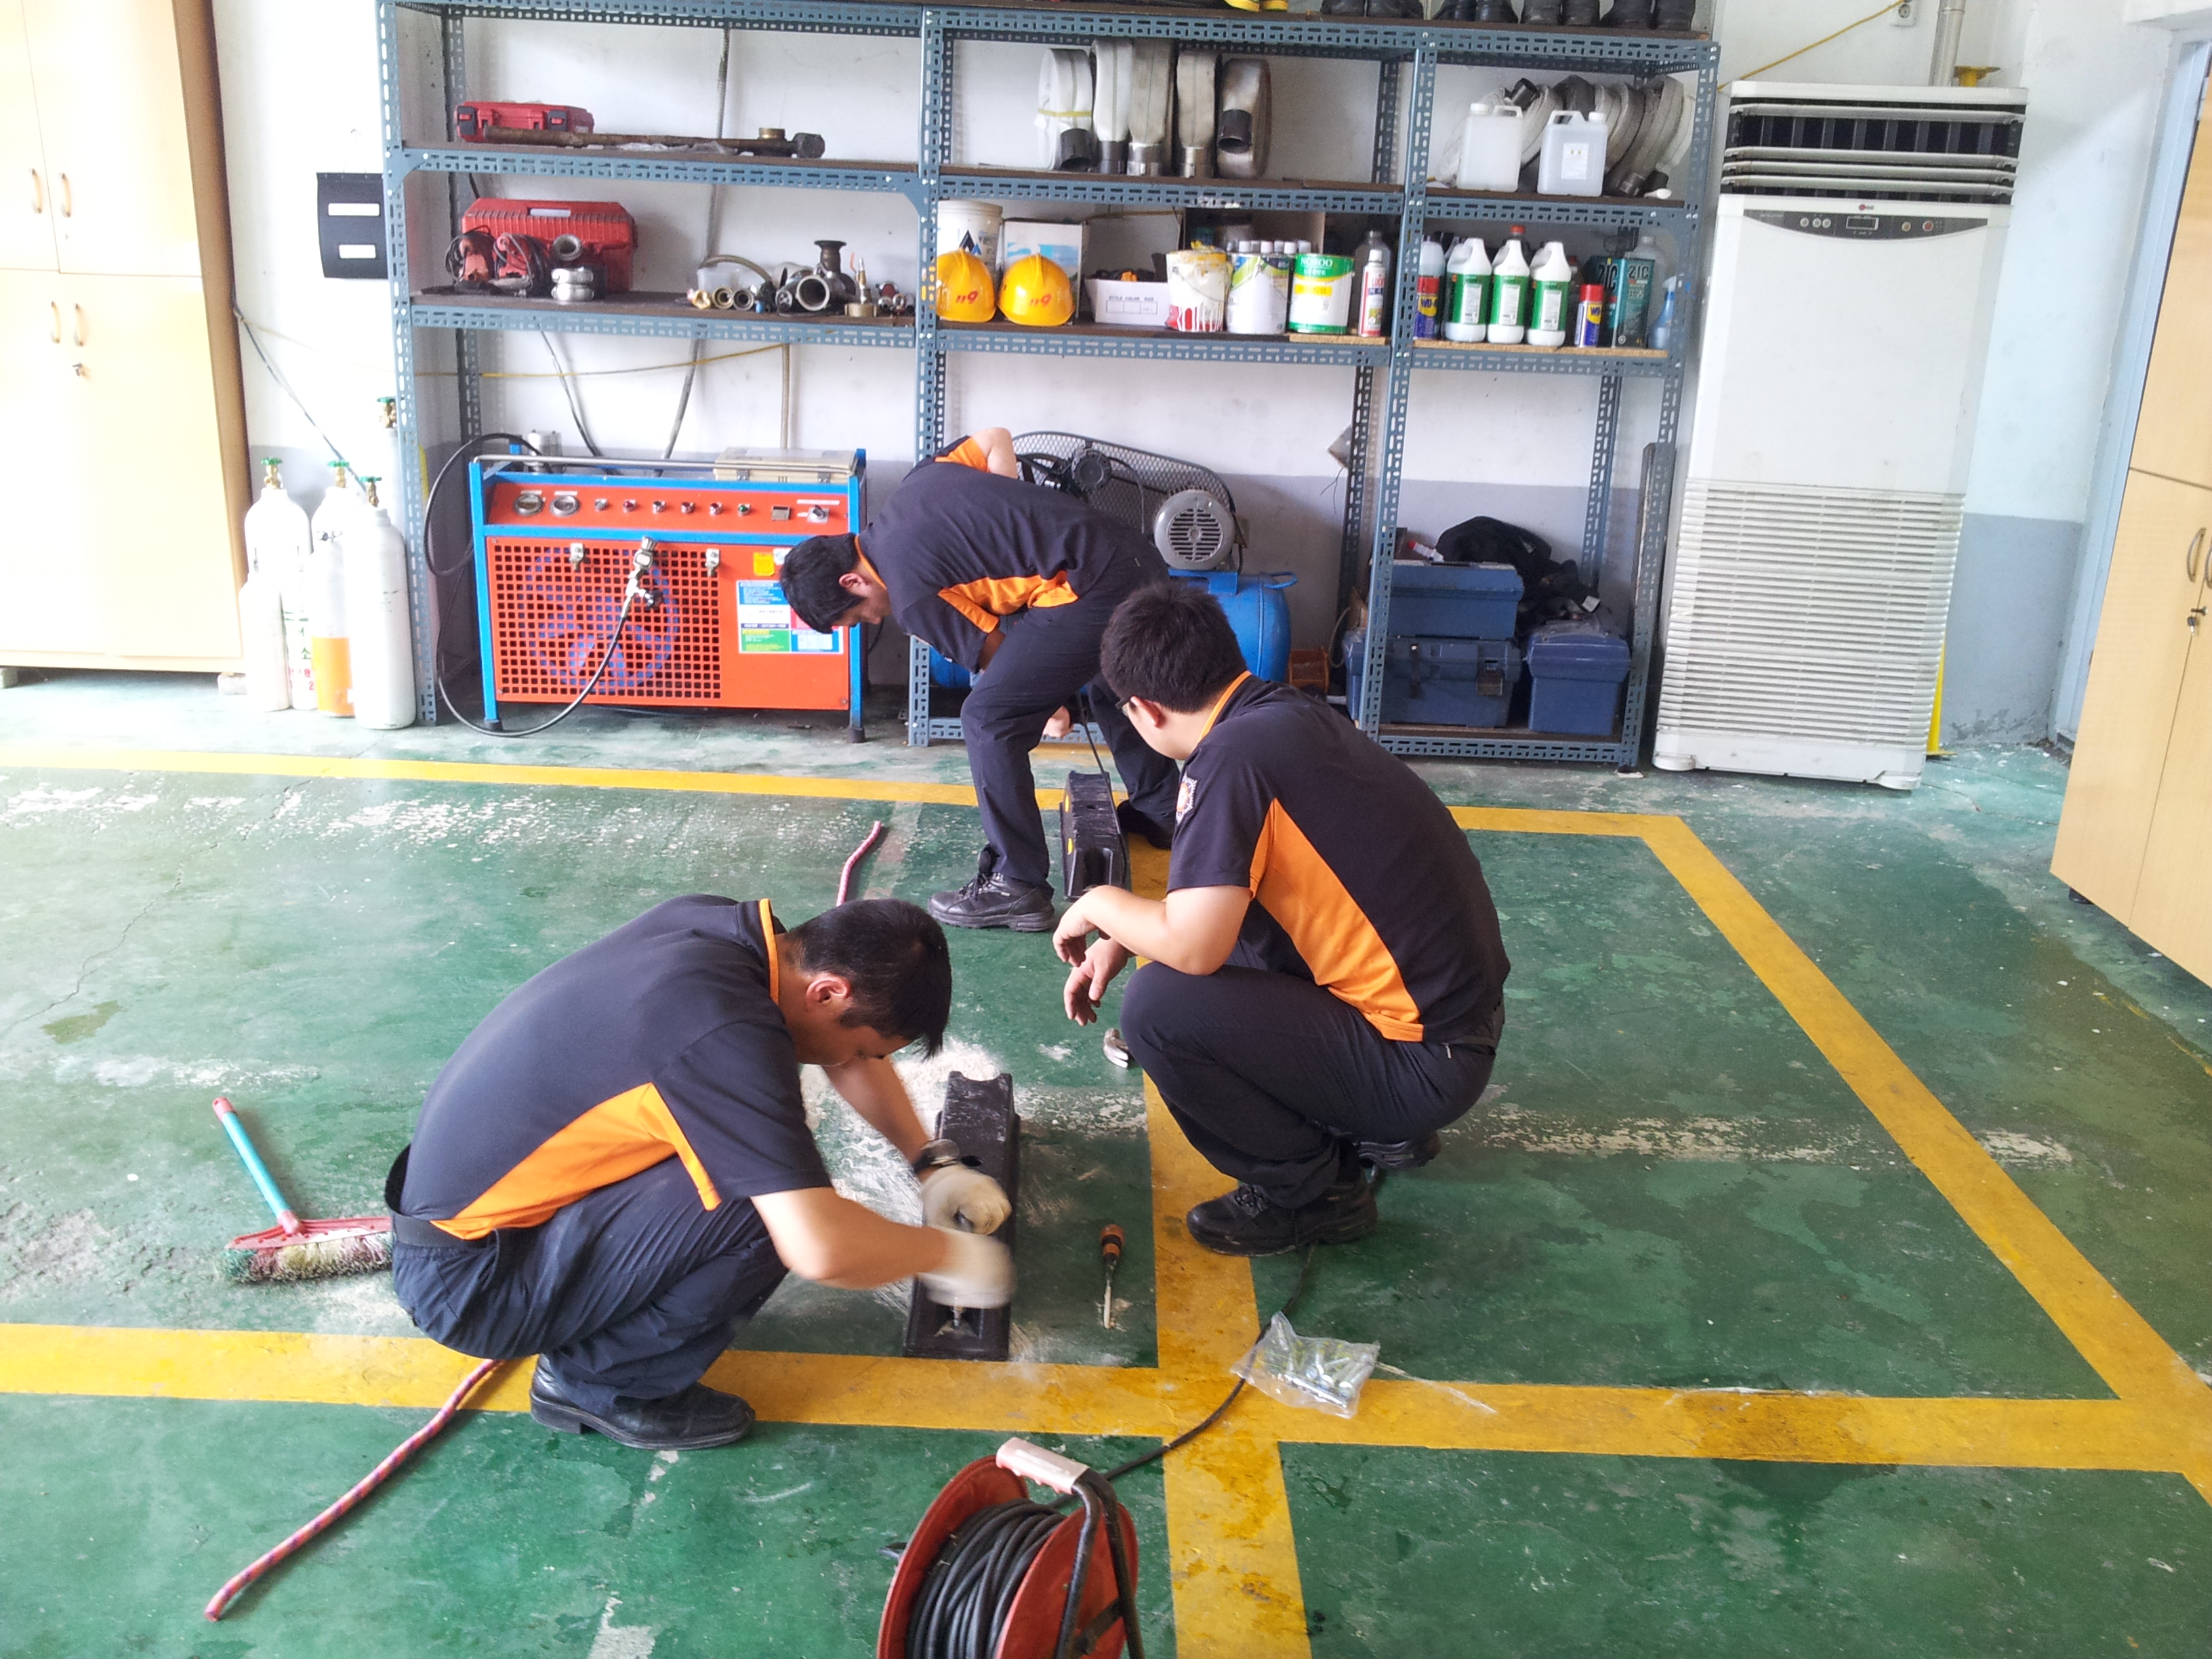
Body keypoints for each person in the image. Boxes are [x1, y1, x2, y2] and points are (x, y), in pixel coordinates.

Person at [386, 895, 1012, 1451]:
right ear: (826, 993)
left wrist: (933, 1165)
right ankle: (600, 1384)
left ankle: (602, 1330)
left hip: (473, 1222)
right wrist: (948, 1256)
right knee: (761, 1207)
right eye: (867, 1046)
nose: (859, 1060)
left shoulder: (722, 933)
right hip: (472, 1285)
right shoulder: (722, 1032)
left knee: (762, 1155)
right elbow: (821, 1249)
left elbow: (845, 1055)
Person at [1053, 582, 1511, 1256]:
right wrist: (1125, 934)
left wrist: (1097, 903)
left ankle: (1313, 1192)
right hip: (1453, 1026)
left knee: (1159, 1010)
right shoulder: (1284, 715)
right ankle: (1380, 1129)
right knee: (1219, 937)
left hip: (1420, 1064)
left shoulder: (1227, 762)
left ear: (1145, 711)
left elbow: (1194, 946)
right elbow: (1224, 900)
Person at [779, 428, 1180, 933]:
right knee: (1109, 676)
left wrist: (1050, 708)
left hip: (1092, 585)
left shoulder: (910, 594)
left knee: (988, 718)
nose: (874, 619)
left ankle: (1017, 884)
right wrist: (1010, 503)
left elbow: (997, 656)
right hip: (1135, 555)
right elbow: (995, 439)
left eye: (858, 615)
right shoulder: (919, 482)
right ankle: (1162, 810)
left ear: (852, 581)